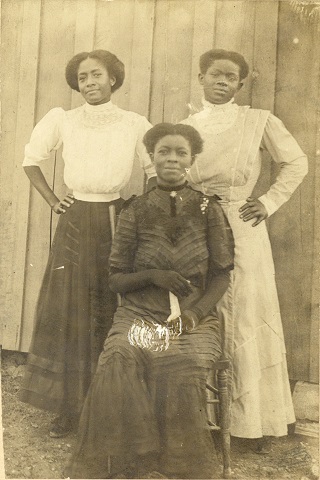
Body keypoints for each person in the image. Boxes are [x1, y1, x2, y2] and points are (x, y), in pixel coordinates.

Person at [66, 123, 235, 479]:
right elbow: (116, 278)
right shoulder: (136, 210)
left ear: (192, 159)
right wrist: (153, 276)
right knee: (118, 357)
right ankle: (136, 461)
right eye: (163, 152)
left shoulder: (208, 209)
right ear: (152, 157)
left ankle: (173, 466)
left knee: (183, 362)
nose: (172, 159)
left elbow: (221, 274)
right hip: (140, 314)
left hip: (193, 320)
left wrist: (194, 313)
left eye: (180, 153)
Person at [19, 50, 156, 438]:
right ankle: (69, 408)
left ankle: (109, 404)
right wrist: (53, 200)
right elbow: (31, 160)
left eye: (97, 75)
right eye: (82, 78)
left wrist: (138, 210)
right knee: (71, 308)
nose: (90, 83)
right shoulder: (63, 120)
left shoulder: (133, 123)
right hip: (76, 219)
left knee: (109, 307)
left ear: (113, 78)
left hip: (115, 219)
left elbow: (152, 170)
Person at [181, 49, 308, 451]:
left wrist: (266, 202)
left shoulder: (258, 121)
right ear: (200, 78)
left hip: (243, 223)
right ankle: (207, 423)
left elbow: (297, 162)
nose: (222, 82)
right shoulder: (185, 127)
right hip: (198, 225)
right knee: (206, 312)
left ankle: (252, 424)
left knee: (247, 313)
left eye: (231, 77)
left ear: (240, 84)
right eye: (214, 74)